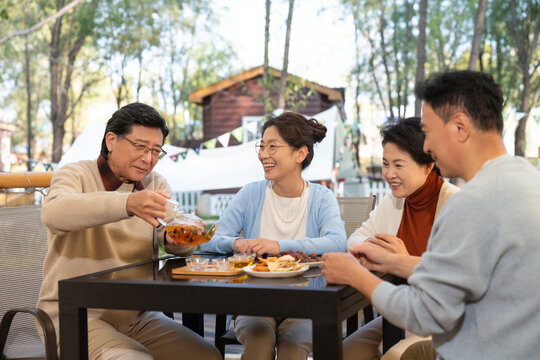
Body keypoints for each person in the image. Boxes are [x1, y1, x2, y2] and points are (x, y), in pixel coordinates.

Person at [322, 70, 540, 359]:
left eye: (428, 131)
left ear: (460, 127)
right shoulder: (527, 179)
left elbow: (426, 313)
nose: (426, 146)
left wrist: (355, 275)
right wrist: (392, 261)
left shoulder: (470, 204)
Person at [38, 103, 221, 359]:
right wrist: (128, 203)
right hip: (75, 316)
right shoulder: (75, 174)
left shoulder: (155, 183)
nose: (148, 158)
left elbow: (177, 241)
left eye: (156, 150)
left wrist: (177, 236)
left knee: (207, 355)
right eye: (140, 146)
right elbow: (54, 213)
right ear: (111, 140)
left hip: (137, 315)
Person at [201, 111, 347, 360]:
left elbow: (337, 242)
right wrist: (237, 242)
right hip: (254, 303)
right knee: (258, 347)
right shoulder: (250, 194)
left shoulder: (322, 197)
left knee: (292, 350)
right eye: (261, 146)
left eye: (272, 147)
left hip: (306, 304)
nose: (263, 154)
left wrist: (278, 246)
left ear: (300, 154)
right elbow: (210, 240)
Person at [343, 117, 459, 360]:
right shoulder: (394, 201)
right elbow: (355, 239)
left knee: (396, 356)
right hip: (399, 311)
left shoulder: (456, 204)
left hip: (444, 322)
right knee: (342, 352)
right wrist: (375, 251)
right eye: (386, 164)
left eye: (398, 165)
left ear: (428, 165)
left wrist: (403, 260)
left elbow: (457, 280)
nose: (389, 174)